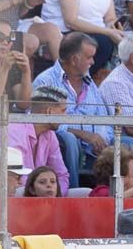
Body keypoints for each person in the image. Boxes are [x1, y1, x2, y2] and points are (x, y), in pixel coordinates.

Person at [33, 32, 123, 186]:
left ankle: (121, 196)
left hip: (93, 147)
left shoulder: (89, 83)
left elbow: (104, 118)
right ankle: (73, 191)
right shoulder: (45, 80)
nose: (93, 62)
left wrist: (103, 140)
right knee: (70, 140)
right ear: (75, 60)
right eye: (89, 57)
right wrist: (83, 135)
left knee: (128, 143)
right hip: (62, 141)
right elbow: (40, 122)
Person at [0, 85, 72, 195]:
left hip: (40, 193)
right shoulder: (14, 131)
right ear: (49, 111)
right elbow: (15, 178)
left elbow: (62, 175)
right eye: (63, 111)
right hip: (13, 193)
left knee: (85, 193)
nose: (66, 116)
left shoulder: (50, 135)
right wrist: (41, 192)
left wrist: (55, 195)